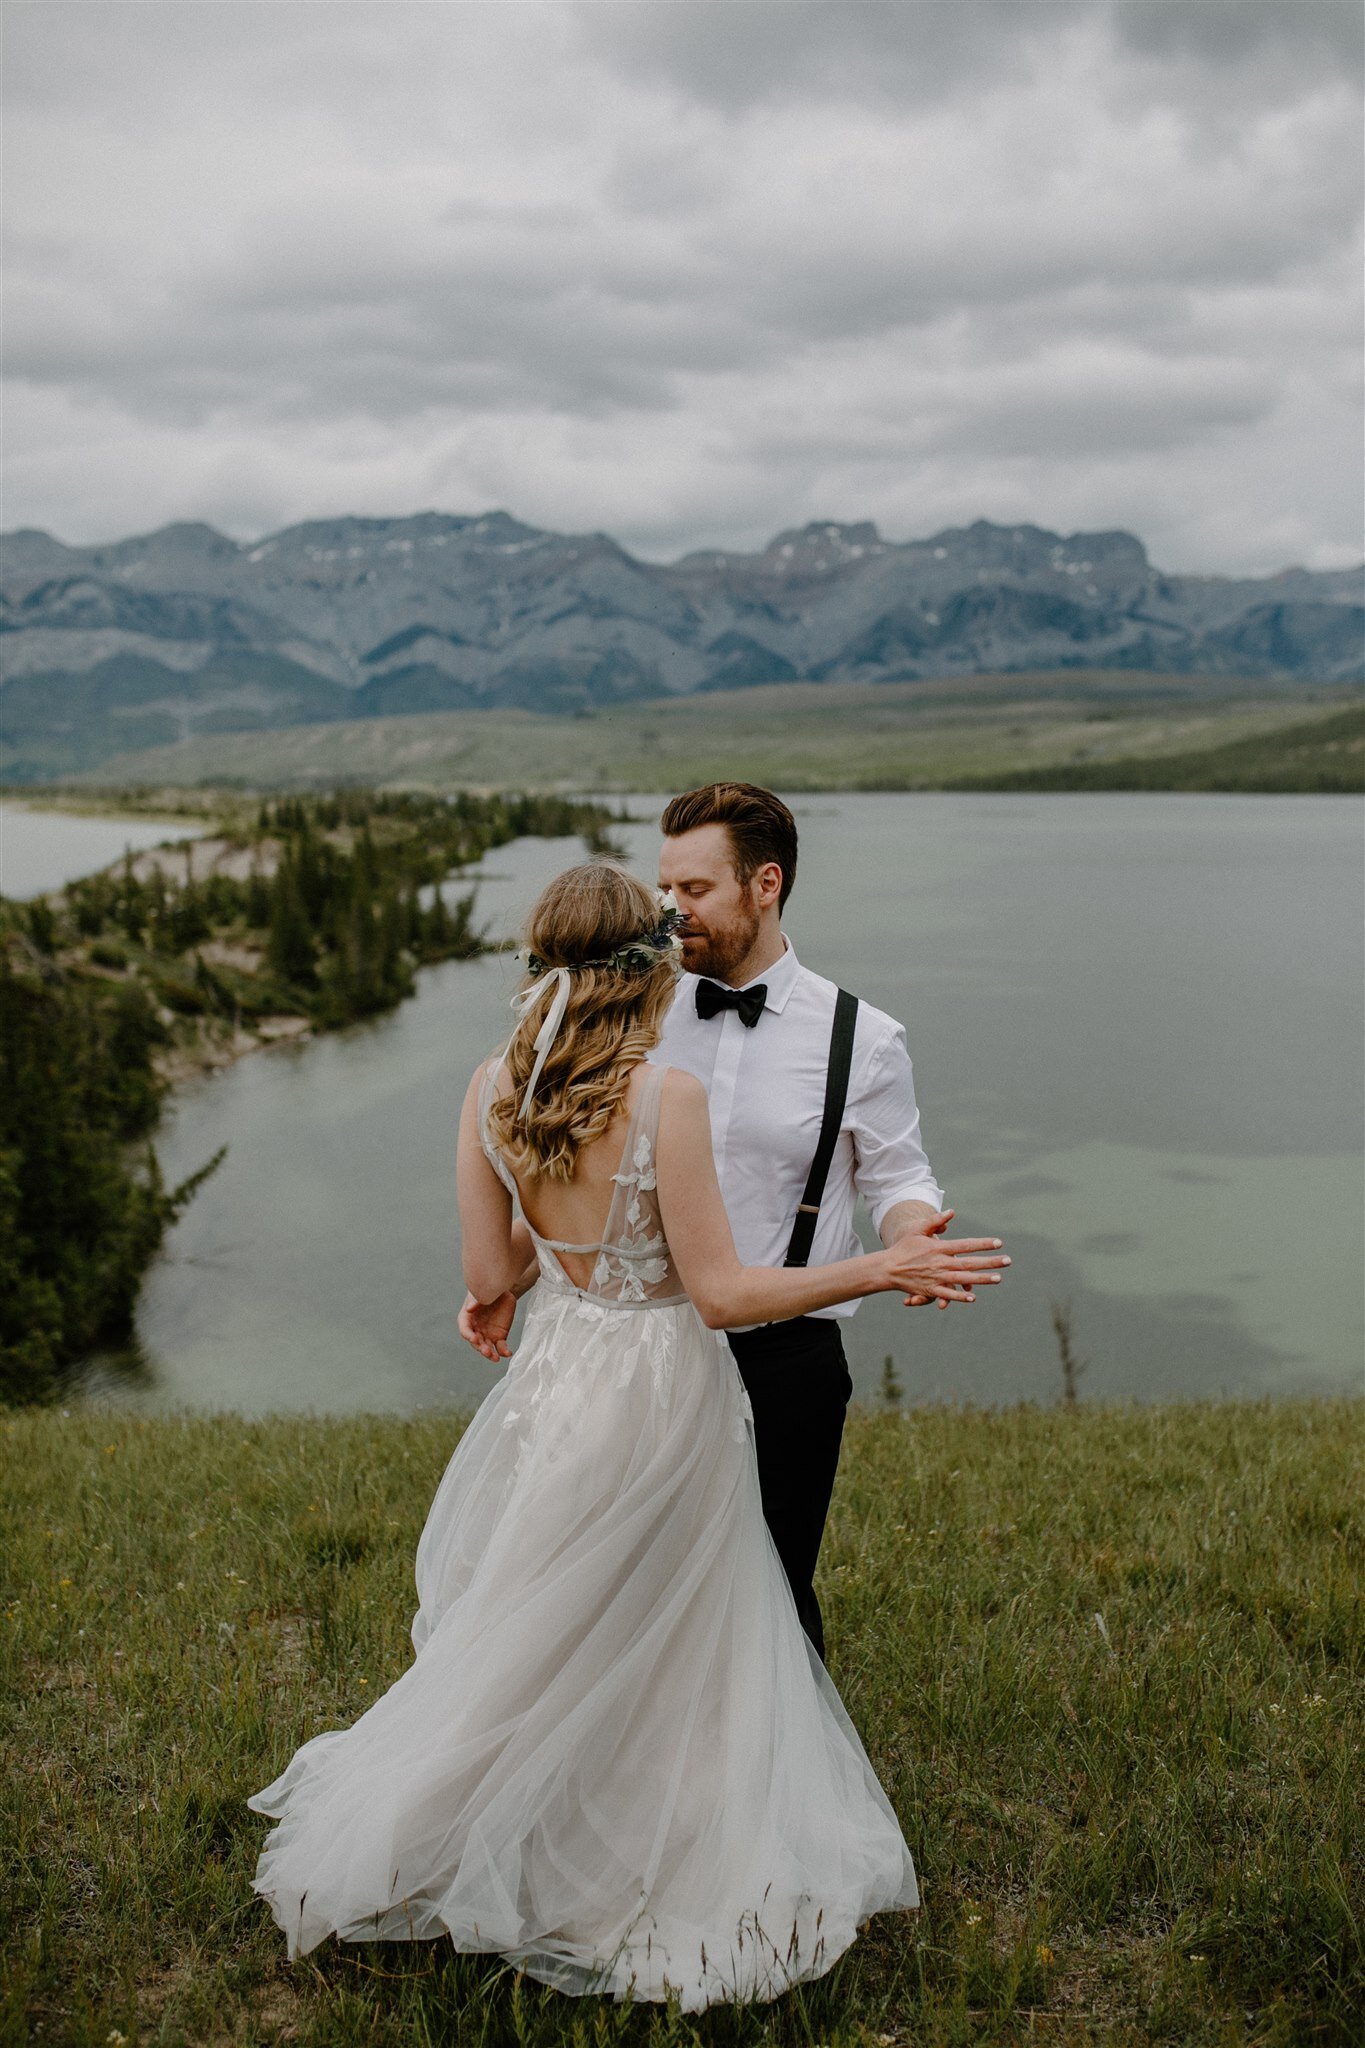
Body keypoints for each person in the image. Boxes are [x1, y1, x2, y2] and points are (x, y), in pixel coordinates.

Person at [249, 862, 1008, 2008]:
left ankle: (506, 1832)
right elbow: (718, 1295)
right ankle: (637, 1859)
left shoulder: (491, 1085)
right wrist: (880, 1263)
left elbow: (488, 1272)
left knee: (546, 1616)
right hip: (661, 1390)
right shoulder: (667, 1096)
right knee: (670, 1627)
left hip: (556, 1383)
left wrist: (521, 1279)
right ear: (650, 972)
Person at [462, 783, 980, 1661]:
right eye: (664, 889)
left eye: (694, 891)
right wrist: (515, 1275)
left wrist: (909, 1233)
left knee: (771, 1597)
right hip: (643, 1359)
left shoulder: (863, 1036)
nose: (671, 912)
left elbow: (897, 1174)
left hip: (785, 1352)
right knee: (624, 1601)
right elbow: (581, 1183)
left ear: (764, 884)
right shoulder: (627, 1020)